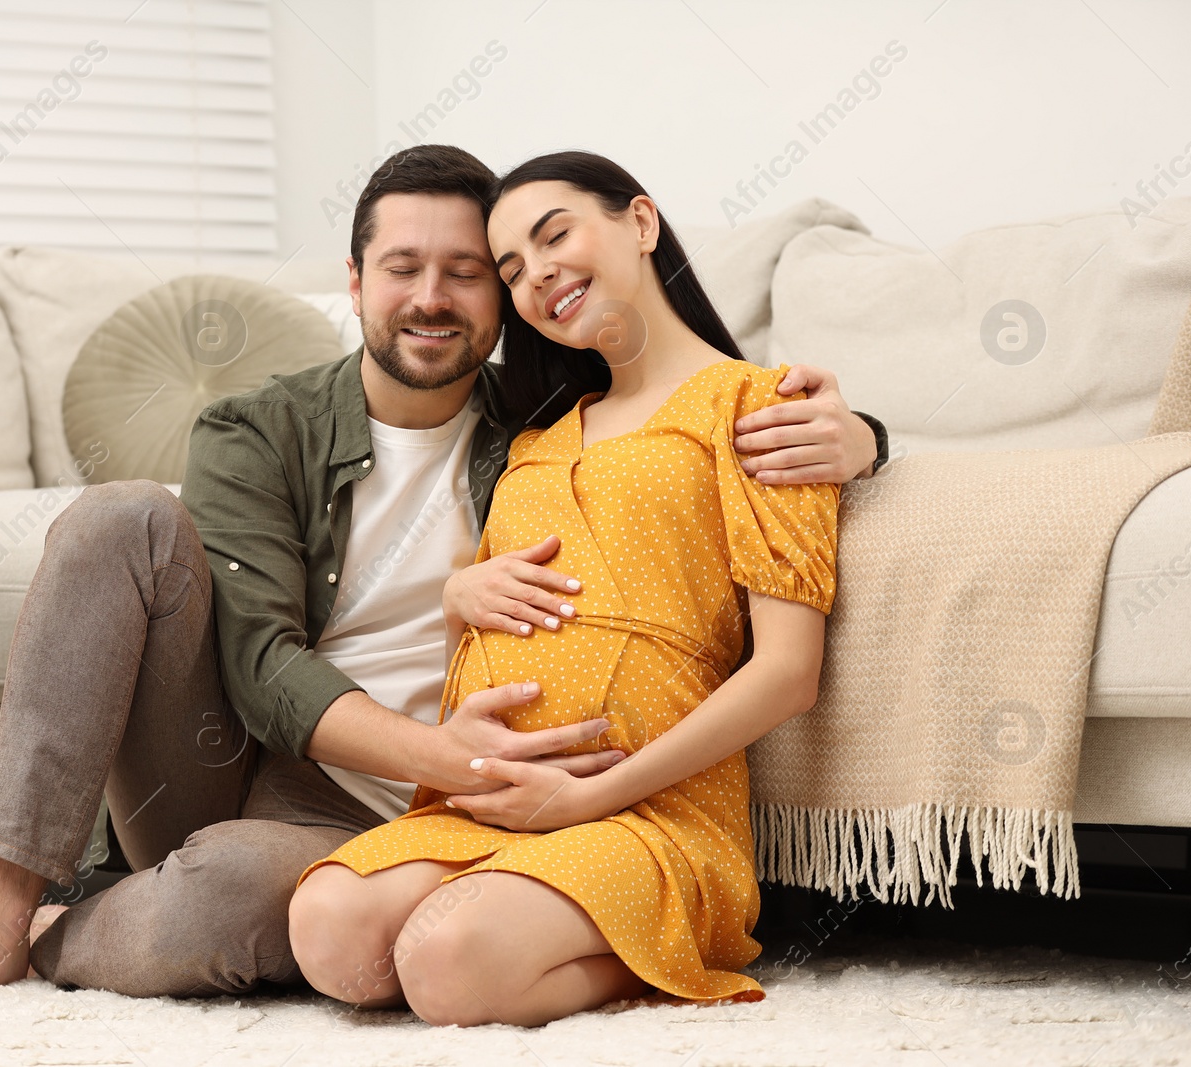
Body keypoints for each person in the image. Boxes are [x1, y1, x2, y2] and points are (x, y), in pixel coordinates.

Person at [0, 145, 882, 1015]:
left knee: (244, 898)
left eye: (473, 271)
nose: (433, 296)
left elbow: (694, 421)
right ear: (353, 281)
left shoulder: (541, 415)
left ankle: (59, 932)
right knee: (122, 516)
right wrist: (450, 752)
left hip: (413, 822)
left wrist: (861, 435)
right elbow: (259, 664)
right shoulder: (259, 427)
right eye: (402, 267)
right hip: (266, 760)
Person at [288, 150, 841, 1027]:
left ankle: (666, 948)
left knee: (446, 962)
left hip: (649, 814)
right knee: (328, 932)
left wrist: (585, 797)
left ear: (641, 221)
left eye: (555, 236)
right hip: (491, 804)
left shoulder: (760, 408)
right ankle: (524, 919)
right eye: (511, 270)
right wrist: (455, 601)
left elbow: (788, 673)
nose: (538, 274)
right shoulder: (535, 434)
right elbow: (476, 648)